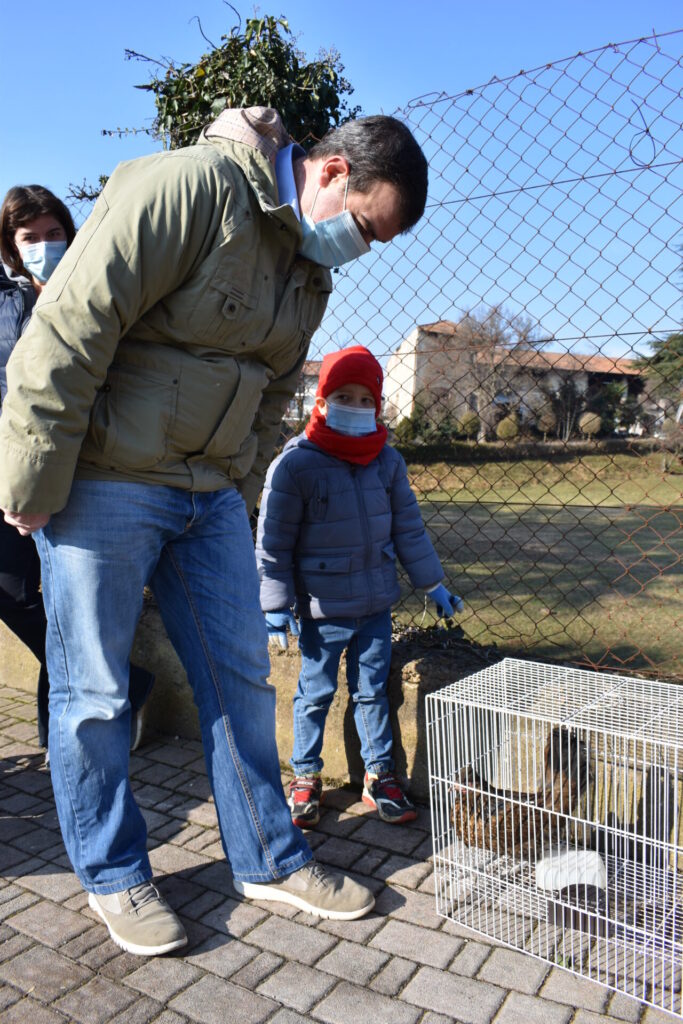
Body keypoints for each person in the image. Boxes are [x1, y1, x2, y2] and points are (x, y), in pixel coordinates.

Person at [0, 107, 429, 956]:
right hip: (106, 483)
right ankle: (116, 874)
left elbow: (272, 393)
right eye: (366, 228)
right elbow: (71, 325)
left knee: (241, 683)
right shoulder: (191, 187)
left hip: (208, 498)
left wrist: (236, 492)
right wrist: (31, 477)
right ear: (333, 174)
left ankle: (268, 858)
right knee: (93, 693)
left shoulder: (307, 269)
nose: (363, 248)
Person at [256, 345, 464, 828]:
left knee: (372, 693)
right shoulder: (295, 465)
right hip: (321, 610)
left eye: (365, 398)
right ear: (321, 401)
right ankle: (306, 776)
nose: (355, 406)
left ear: (378, 404)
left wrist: (432, 585)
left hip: (374, 606)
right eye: (342, 395)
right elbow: (273, 542)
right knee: (314, 693)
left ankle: (380, 777)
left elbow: (408, 529)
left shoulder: (387, 463)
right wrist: (275, 605)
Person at [0, 185, 155, 760]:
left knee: (66, 600)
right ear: (12, 247)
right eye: (30, 238)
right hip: (13, 469)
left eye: (53, 233)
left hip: (83, 471)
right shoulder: (4, 300)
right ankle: (127, 682)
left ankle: (58, 733)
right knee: (16, 593)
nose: (45, 246)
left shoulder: (94, 286)